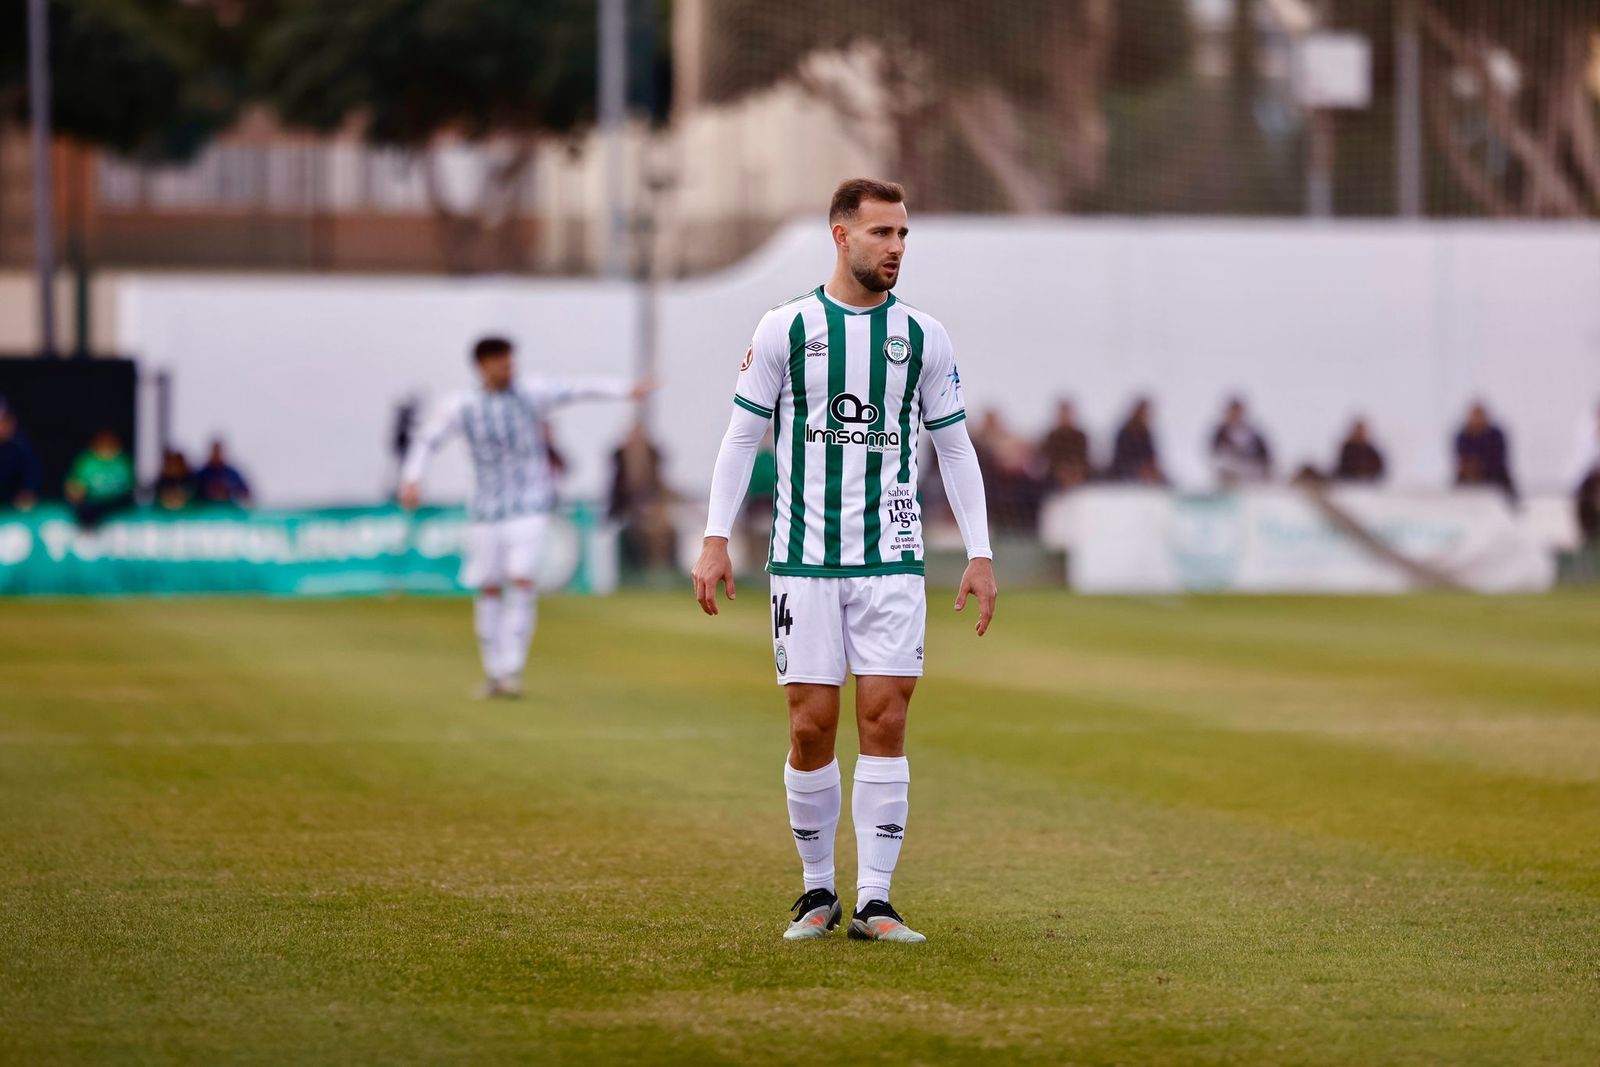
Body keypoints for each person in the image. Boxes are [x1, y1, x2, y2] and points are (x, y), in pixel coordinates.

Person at [692, 178, 996, 944]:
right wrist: (715, 534)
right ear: (841, 236)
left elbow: (954, 445)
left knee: (885, 716)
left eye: (903, 235)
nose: (896, 248)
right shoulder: (785, 329)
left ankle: (877, 900)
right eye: (882, 234)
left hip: (892, 558)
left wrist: (980, 551)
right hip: (802, 559)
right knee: (810, 728)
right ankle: (816, 890)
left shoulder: (924, 337)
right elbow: (740, 438)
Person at [401, 336, 650, 699]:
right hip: (486, 510)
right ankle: (494, 669)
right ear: (483, 365)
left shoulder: (531, 393)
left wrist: (625, 390)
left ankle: (511, 669)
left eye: (511, 361)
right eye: (501, 362)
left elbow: (577, 389)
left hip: (529, 506)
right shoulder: (461, 405)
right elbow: (427, 439)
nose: (509, 368)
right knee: (487, 586)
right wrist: (411, 477)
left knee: (521, 581)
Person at [607, 419, 677, 573]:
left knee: (663, 531)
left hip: (651, 511)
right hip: (628, 514)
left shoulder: (652, 461)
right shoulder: (621, 464)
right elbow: (619, 494)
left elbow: (659, 488)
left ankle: (660, 569)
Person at [65, 429, 137, 528]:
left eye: (110, 444)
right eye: (103, 443)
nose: (107, 447)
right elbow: (74, 487)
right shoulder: (87, 461)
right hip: (94, 503)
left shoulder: (123, 462)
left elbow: (130, 487)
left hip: (116, 504)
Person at [1454, 402, 1516, 500]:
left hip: (1494, 471)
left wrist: (1481, 466)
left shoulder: (1496, 435)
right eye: (1474, 416)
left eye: (1479, 416)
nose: (1477, 420)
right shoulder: (1463, 436)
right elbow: (1461, 457)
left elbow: (1499, 457)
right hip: (1469, 473)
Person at [1209, 396, 1272, 486]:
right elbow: (1214, 454)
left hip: (1251, 472)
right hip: (1229, 472)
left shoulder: (1252, 433)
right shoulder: (1220, 433)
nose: (1235, 414)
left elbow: (1265, 456)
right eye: (1232, 411)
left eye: (1237, 411)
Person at [1107, 396, 1167, 484]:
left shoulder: (1146, 434)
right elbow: (1122, 458)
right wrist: (1139, 468)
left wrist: (1149, 467)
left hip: (1144, 471)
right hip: (1124, 470)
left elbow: (1151, 455)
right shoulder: (1125, 432)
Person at [0, 396, 42, 511]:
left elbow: (32, 475)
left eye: (3, 420)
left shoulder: (19, 445)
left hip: (12, 509)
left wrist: (28, 492)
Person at [1039, 399, 1091, 490]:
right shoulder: (1051, 437)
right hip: (1055, 475)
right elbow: (1046, 458)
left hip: (1077, 471)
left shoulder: (1080, 436)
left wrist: (1075, 470)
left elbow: (1083, 457)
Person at [193, 439, 252, 506]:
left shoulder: (231, 473)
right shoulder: (201, 474)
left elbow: (245, 493)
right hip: (205, 509)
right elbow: (193, 494)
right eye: (215, 451)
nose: (217, 454)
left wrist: (229, 492)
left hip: (228, 510)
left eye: (218, 451)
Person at [1332, 418, 1385, 482]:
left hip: (1366, 484)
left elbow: (1379, 469)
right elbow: (1342, 467)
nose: (1359, 433)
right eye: (1358, 430)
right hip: (1348, 482)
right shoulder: (1347, 448)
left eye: (1361, 431)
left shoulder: (1371, 451)